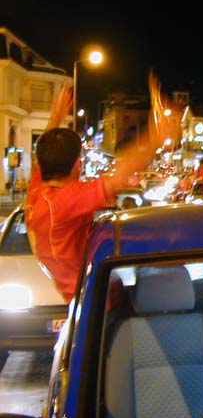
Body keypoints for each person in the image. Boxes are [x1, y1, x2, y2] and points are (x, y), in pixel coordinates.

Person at [26, 72, 177, 303]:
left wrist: (55, 119)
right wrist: (156, 138)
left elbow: (41, 153)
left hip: (82, 295)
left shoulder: (38, 191)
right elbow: (118, 176)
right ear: (77, 165)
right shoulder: (65, 201)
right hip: (96, 301)